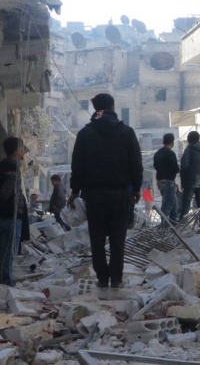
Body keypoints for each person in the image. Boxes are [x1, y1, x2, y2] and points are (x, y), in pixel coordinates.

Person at [68, 93, 143, 289]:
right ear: (113, 106)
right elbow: (135, 163)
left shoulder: (85, 134)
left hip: (94, 195)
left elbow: (77, 165)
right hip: (120, 194)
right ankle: (116, 278)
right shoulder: (127, 132)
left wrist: (75, 190)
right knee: (118, 238)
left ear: (94, 107)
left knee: (97, 238)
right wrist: (136, 187)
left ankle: (102, 278)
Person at [0, 137, 28, 286]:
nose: (24, 151)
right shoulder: (12, 166)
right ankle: (6, 280)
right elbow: (6, 192)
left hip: (7, 215)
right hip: (10, 216)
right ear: (16, 150)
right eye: (22, 148)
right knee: (9, 250)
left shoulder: (4, 165)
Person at [180, 131, 200, 227]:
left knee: (186, 204)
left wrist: (182, 176)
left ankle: (182, 225)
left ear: (189, 139)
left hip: (190, 182)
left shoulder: (189, 149)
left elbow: (184, 165)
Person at [153, 133, 180, 224]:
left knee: (174, 204)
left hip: (160, 181)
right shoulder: (171, 154)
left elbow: (155, 166)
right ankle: (164, 224)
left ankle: (173, 222)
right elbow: (175, 168)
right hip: (168, 182)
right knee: (167, 205)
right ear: (172, 142)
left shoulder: (157, 153)